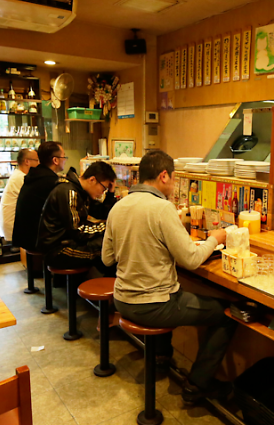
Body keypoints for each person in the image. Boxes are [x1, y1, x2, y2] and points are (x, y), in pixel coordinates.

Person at [102, 150, 235, 403]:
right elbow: (192, 260)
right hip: (152, 306)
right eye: (173, 179)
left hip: (122, 300)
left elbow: (107, 258)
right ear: (163, 176)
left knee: (168, 289)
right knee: (226, 315)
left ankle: (162, 357)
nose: (173, 185)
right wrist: (213, 239)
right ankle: (197, 384)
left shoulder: (118, 207)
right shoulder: (162, 209)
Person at [37, 161, 117, 276]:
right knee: (107, 252)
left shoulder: (81, 191)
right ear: (92, 180)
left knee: (107, 245)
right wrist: (107, 228)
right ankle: (107, 289)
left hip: (68, 242)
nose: (101, 193)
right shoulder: (69, 191)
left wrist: (110, 192)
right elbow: (78, 231)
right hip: (57, 250)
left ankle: (106, 286)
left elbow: (102, 213)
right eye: (103, 188)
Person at [12, 142, 67, 250]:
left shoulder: (35, 176)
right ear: (55, 160)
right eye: (64, 156)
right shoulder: (50, 182)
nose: (65, 160)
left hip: (26, 237)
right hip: (37, 240)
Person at [0, 148, 39, 243]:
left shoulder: (19, 175)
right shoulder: (21, 178)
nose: (39, 163)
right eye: (36, 160)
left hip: (14, 226)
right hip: (14, 228)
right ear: (27, 162)